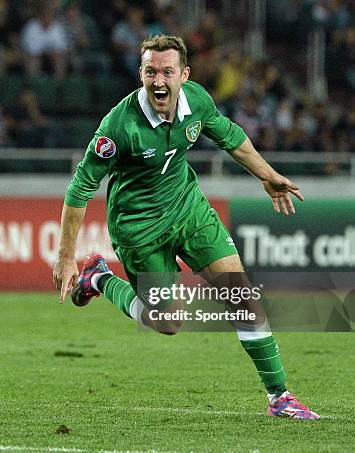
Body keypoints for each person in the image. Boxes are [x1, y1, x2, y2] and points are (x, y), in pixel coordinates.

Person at [52, 35, 320, 420]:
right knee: (168, 322)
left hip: (187, 209)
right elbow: (80, 189)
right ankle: (99, 279)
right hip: (138, 227)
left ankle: (279, 396)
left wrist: (268, 175)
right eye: (150, 72)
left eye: (167, 72)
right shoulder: (118, 126)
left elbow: (232, 138)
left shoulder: (197, 100)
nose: (158, 81)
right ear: (140, 74)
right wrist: (65, 257)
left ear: (184, 74)